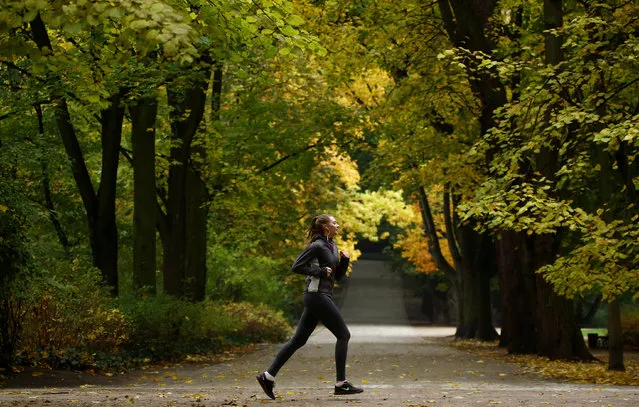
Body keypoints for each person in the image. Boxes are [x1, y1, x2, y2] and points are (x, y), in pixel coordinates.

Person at [256, 214, 364, 399]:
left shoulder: (331, 246)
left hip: (321, 295)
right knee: (344, 334)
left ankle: (267, 376)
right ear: (325, 227)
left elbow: (336, 277)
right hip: (316, 295)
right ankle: (341, 383)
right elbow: (296, 266)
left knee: (298, 340)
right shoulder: (317, 245)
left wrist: (344, 261)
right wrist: (319, 271)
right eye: (334, 222)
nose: (338, 225)